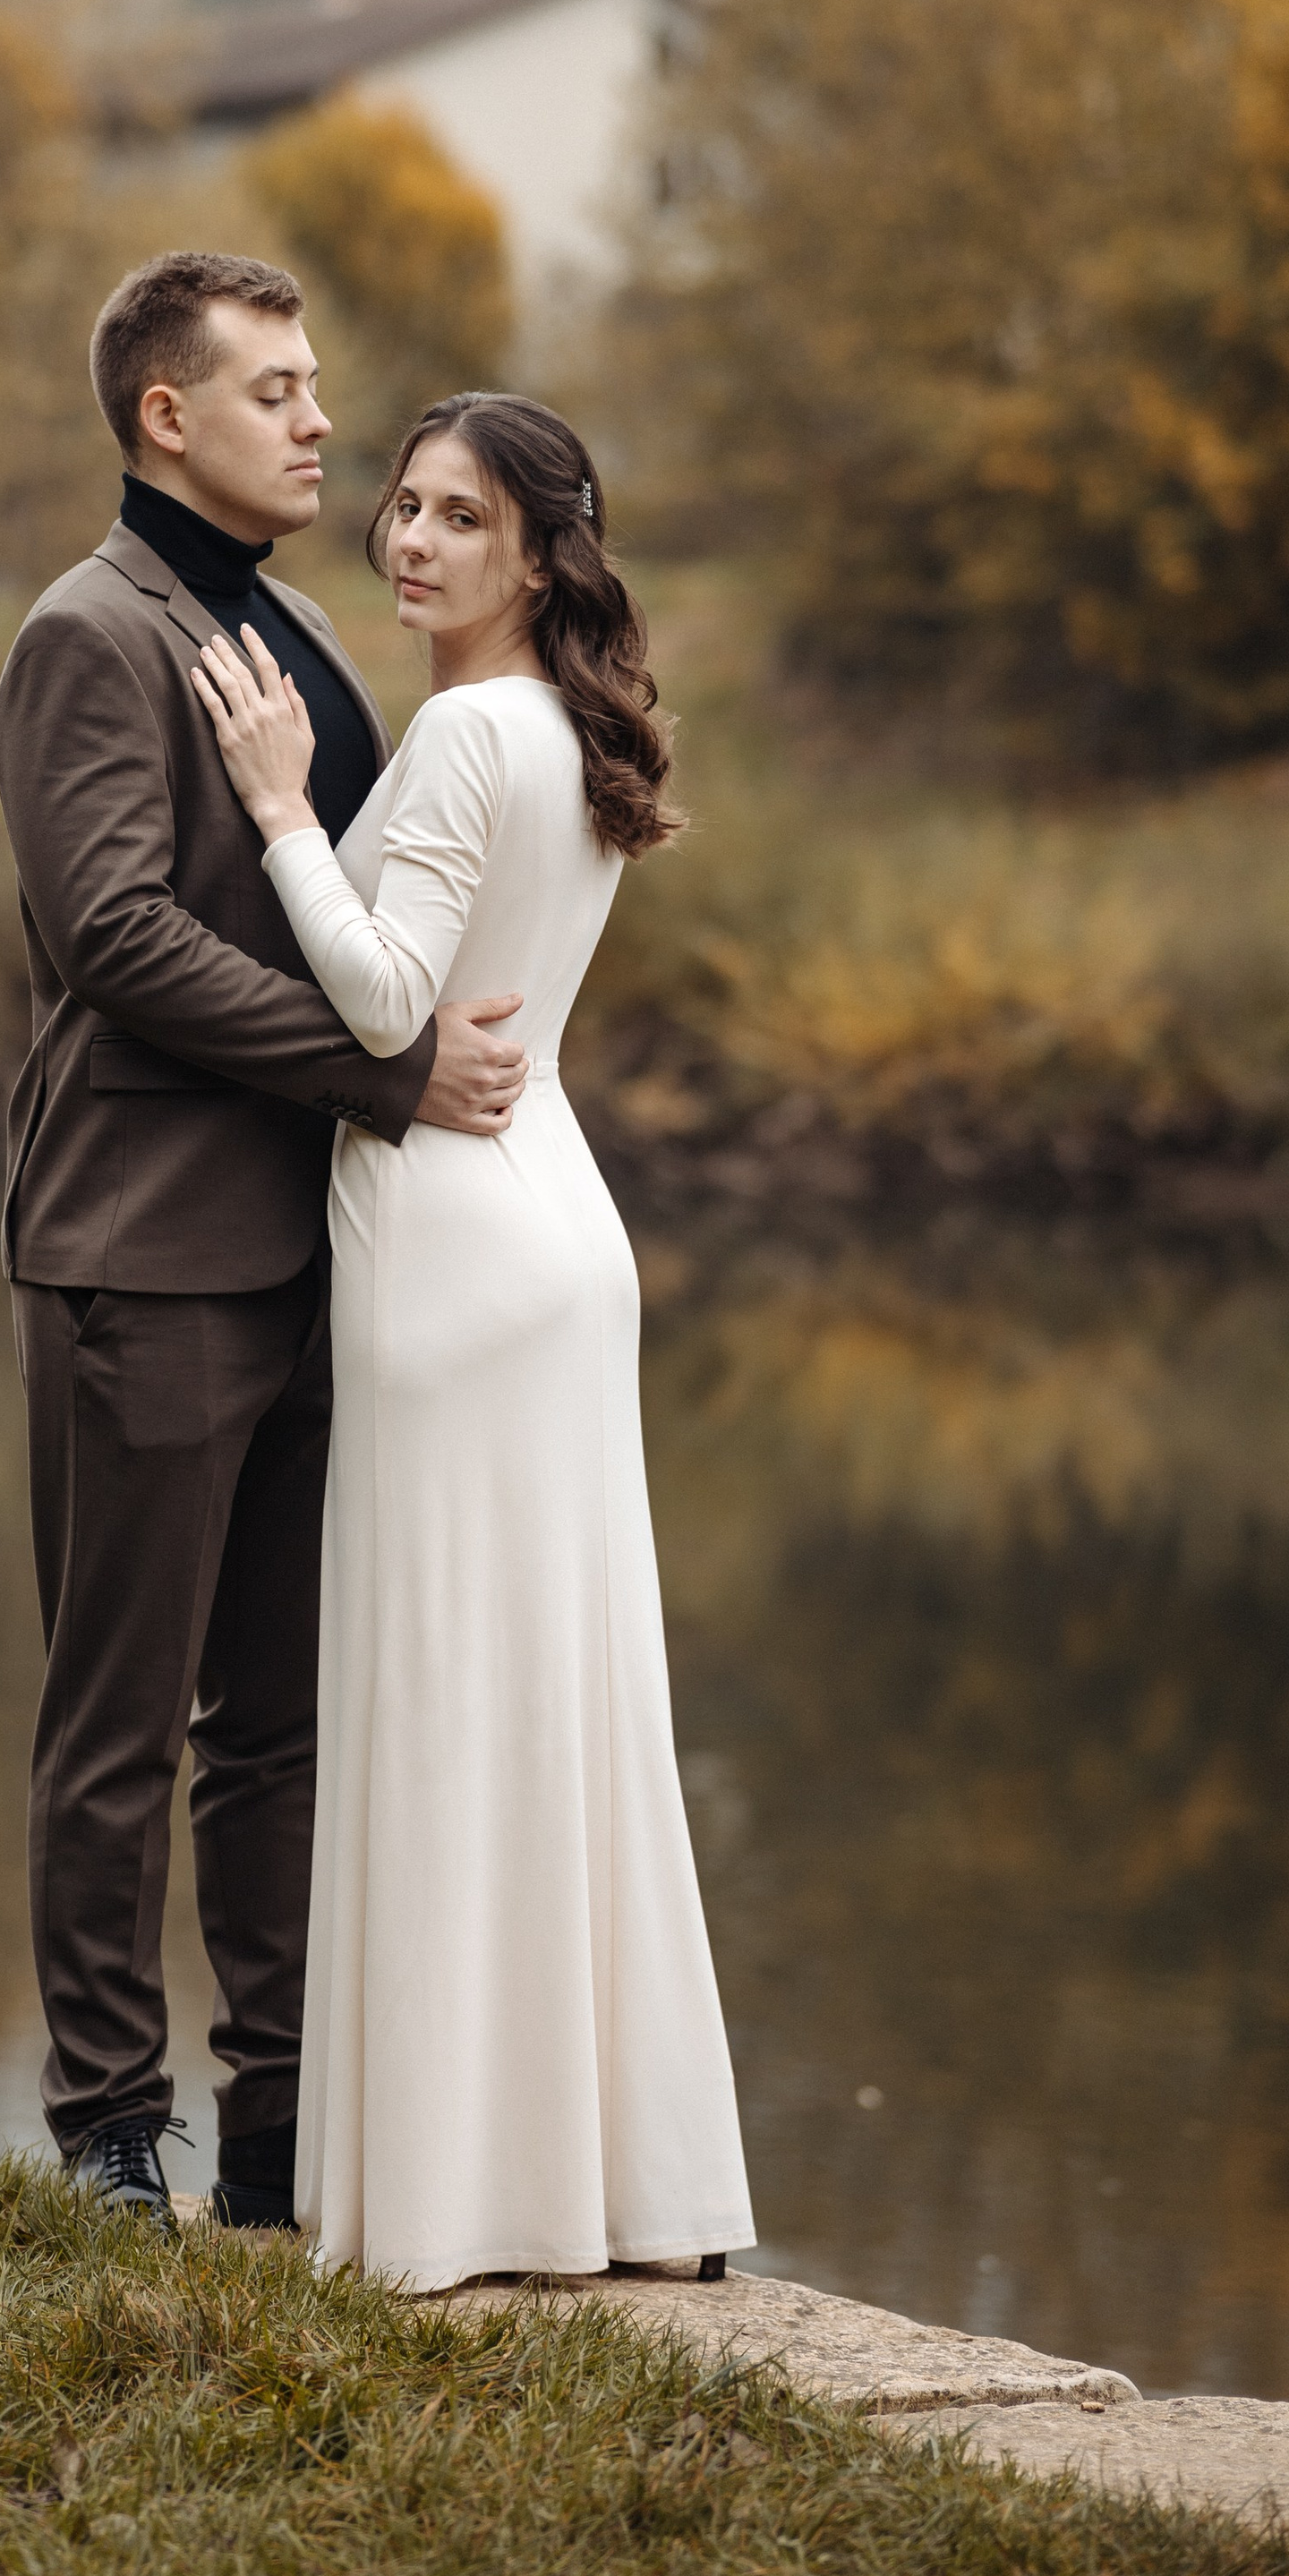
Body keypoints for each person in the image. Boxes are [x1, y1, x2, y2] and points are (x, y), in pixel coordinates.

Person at [0, 254, 532, 2230]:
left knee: (283, 1731)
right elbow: (115, 938)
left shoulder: (294, 626)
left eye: (313, 387)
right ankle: (106, 2137)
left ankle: (283, 2141)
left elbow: (357, 918)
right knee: (117, 1726)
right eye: (277, 389)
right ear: (167, 415)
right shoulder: (86, 635)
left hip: (325, 1261)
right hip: (140, 1253)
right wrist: (387, 1075)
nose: (320, 422)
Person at [190, 391, 753, 2288]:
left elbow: (381, 1002)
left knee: (444, 1708)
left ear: (537, 555)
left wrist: (281, 806)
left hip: (451, 1252)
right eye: (406, 506)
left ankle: (451, 2200)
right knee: (562, 1719)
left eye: (460, 519)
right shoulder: (571, 733)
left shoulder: (461, 733)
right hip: (560, 1238)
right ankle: (604, 2189)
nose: (412, 542)